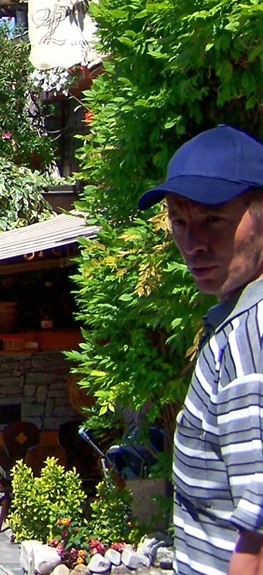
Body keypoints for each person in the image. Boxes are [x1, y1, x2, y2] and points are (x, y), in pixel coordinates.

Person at [138, 124, 263, 574]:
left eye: (214, 219)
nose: (193, 244)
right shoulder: (237, 321)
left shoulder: (249, 342)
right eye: (180, 221)